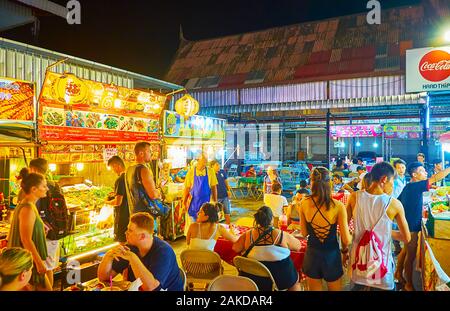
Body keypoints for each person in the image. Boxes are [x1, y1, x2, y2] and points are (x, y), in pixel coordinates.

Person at [347, 162, 411, 291]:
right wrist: (386, 231)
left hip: (359, 262)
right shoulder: (394, 204)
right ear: (384, 179)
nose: (392, 187)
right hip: (382, 266)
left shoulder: (355, 197)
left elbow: (344, 228)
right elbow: (406, 238)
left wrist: (344, 250)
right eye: (392, 182)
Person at [396, 161, 450, 291]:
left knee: (405, 251)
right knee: (411, 255)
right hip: (411, 226)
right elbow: (436, 178)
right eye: (422, 171)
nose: (425, 172)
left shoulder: (409, 186)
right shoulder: (416, 186)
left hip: (407, 224)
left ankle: (398, 273)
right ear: (414, 174)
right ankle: (408, 284)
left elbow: (398, 201)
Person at [97, 212, 183, 291]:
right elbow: (104, 278)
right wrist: (109, 255)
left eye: (130, 230)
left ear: (142, 236)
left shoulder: (163, 251)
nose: (126, 233)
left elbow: (151, 288)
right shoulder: (131, 247)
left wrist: (133, 258)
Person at [299, 167, 352, 291]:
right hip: (331, 255)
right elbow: (346, 240)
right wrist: (345, 251)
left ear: (311, 183)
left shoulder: (304, 203)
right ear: (330, 183)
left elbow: (304, 233)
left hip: (312, 254)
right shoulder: (338, 206)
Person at [232, 206, 302, 291]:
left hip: (252, 277)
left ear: (257, 219)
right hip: (280, 279)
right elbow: (298, 247)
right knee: (295, 282)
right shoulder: (280, 235)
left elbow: (235, 248)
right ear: (272, 219)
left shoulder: (248, 234)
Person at [7, 169, 52, 290]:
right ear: (34, 189)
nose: (47, 189)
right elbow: (26, 240)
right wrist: (38, 263)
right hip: (29, 263)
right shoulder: (27, 208)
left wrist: (41, 227)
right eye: (44, 186)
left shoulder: (30, 205)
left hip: (28, 262)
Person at [28, 157, 68, 287]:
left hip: (43, 234)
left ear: (34, 169)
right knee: (49, 268)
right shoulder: (54, 185)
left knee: (42, 268)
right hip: (54, 231)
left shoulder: (38, 186)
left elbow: (33, 211)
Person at [124, 142, 161, 232]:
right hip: (146, 216)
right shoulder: (143, 170)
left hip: (134, 214)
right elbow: (153, 195)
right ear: (141, 153)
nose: (151, 153)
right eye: (149, 151)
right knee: (149, 241)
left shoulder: (129, 170)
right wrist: (159, 191)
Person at [182, 153, 218, 224]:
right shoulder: (191, 172)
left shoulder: (210, 171)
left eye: (206, 161)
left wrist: (215, 201)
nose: (205, 163)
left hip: (206, 205)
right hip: (194, 204)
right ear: (198, 160)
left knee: (206, 227)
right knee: (195, 226)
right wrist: (184, 202)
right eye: (203, 161)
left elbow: (214, 187)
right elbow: (187, 188)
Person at [106, 156, 129, 243]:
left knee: (122, 243)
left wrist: (106, 202)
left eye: (112, 168)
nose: (112, 171)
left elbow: (118, 202)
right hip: (130, 214)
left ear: (117, 165)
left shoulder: (120, 180)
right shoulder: (129, 177)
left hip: (122, 217)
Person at [210, 160, 232, 224]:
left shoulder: (222, 171)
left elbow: (226, 182)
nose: (218, 166)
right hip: (216, 197)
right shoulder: (210, 174)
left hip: (224, 195)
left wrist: (228, 190)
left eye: (219, 164)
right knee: (216, 213)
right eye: (216, 165)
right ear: (212, 166)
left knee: (227, 211)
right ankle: (216, 228)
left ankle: (229, 225)